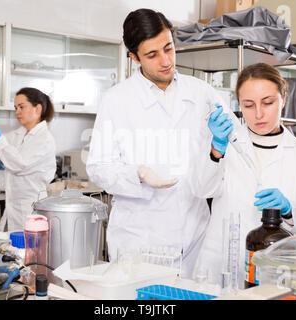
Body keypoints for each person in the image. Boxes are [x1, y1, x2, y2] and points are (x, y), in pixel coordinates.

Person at [86, 8, 233, 278]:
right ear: (134, 57)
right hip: (139, 243)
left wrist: (222, 145)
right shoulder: (116, 100)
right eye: (152, 55)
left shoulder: (202, 93)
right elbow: (98, 167)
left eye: (169, 48)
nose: (165, 61)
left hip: (194, 238)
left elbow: (235, 144)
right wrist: (137, 174)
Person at [191, 63, 296, 286]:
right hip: (221, 263)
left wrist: (289, 209)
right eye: (248, 105)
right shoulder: (225, 142)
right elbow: (201, 189)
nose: (258, 114)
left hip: (277, 269)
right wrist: (216, 151)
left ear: (283, 97)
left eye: (268, 102)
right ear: (239, 105)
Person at [0, 87, 57, 232]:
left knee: (30, 252)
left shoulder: (44, 139)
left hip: (32, 211)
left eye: (21, 107)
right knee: (12, 252)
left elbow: (19, 164)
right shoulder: (19, 135)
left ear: (37, 108)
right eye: (15, 107)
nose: (17, 112)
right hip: (12, 211)